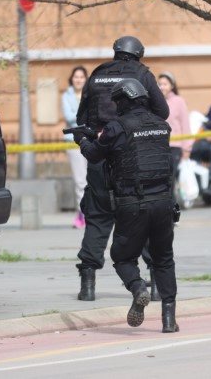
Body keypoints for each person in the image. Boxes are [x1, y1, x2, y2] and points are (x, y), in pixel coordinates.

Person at [75, 78, 179, 333]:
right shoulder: (161, 126)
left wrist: (82, 140)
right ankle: (168, 319)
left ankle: (137, 287)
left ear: (124, 100)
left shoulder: (117, 127)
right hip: (164, 202)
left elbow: (95, 154)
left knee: (122, 257)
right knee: (164, 259)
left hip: (132, 203)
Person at [73, 35, 169, 301]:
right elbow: (162, 112)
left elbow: (81, 120)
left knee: (97, 216)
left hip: (99, 155)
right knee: (144, 212)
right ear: (138, 54)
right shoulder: (142, 74)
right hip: (134, 155)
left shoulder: (96, 75)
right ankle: (157, 284)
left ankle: (88, 285)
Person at [63, 65, 89, 229]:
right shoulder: (66, 96)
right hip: (73, 141)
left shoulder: (90, 95)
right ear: (72, 79)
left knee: (91, 179)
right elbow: (69, 117)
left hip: (91, 140)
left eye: (81, 77)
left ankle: (92, 212)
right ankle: (83, 214)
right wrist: (84, 116)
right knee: (80, 181)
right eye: (76, 77)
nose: (78, 80)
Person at [158, 71, 193, 185]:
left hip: (175, 146)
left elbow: (185, 125)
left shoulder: (179, 101)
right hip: (160, 145)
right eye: (160, 84)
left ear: (172, 86)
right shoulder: (155, 101)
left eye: (165, 84)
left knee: (171, 178)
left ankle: (171, 202)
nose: (162, 87)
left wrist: (186, 148)